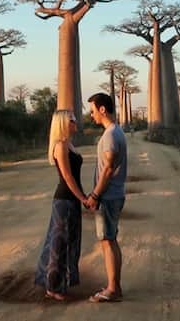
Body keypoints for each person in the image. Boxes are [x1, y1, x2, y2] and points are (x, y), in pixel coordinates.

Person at [35, 110, 87, 301]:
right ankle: (52, 286)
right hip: (64, 200)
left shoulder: (69, 144)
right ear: (64, 123)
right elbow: (67, 177)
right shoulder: (60, 146)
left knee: (69, 241)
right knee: (58, 244)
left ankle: (60, 282)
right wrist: (82, 197)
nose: (76, 122)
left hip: (71, 200)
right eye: (72, 120)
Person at [85, 92, 128, 303]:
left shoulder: (110, 135)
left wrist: (95, 194)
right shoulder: (116, 131)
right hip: (114, 194)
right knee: (110, 240)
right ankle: (114, 286)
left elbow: (109, 168)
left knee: (107, 241)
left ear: (102, 109)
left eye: (93, 110)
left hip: (108, 196)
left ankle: (112, 289)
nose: (91, 115)